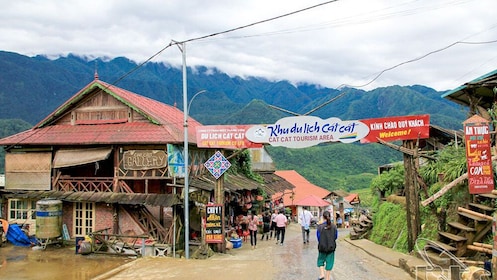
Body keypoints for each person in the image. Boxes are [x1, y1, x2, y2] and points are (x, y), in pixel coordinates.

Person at [316, 210, 338, 280]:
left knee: (320, 260)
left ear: (323, 217)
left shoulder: (320, 227)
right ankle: (327, 278)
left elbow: (318, 237)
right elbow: (335, 236)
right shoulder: (334, 227)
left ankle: (322, 274)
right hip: (331, 248)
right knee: (329, 262)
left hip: (322, 247)